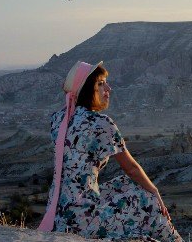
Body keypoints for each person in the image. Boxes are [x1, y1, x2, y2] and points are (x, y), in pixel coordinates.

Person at [38, 61, 182, 241]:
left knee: (126, 183)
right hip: (81, 219)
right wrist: (155, 192)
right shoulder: (100, 123)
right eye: (100, 84)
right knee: (147, 198)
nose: (108, 88)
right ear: (87, 89)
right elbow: (131, 168)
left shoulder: (59, 118)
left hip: (59, 214)